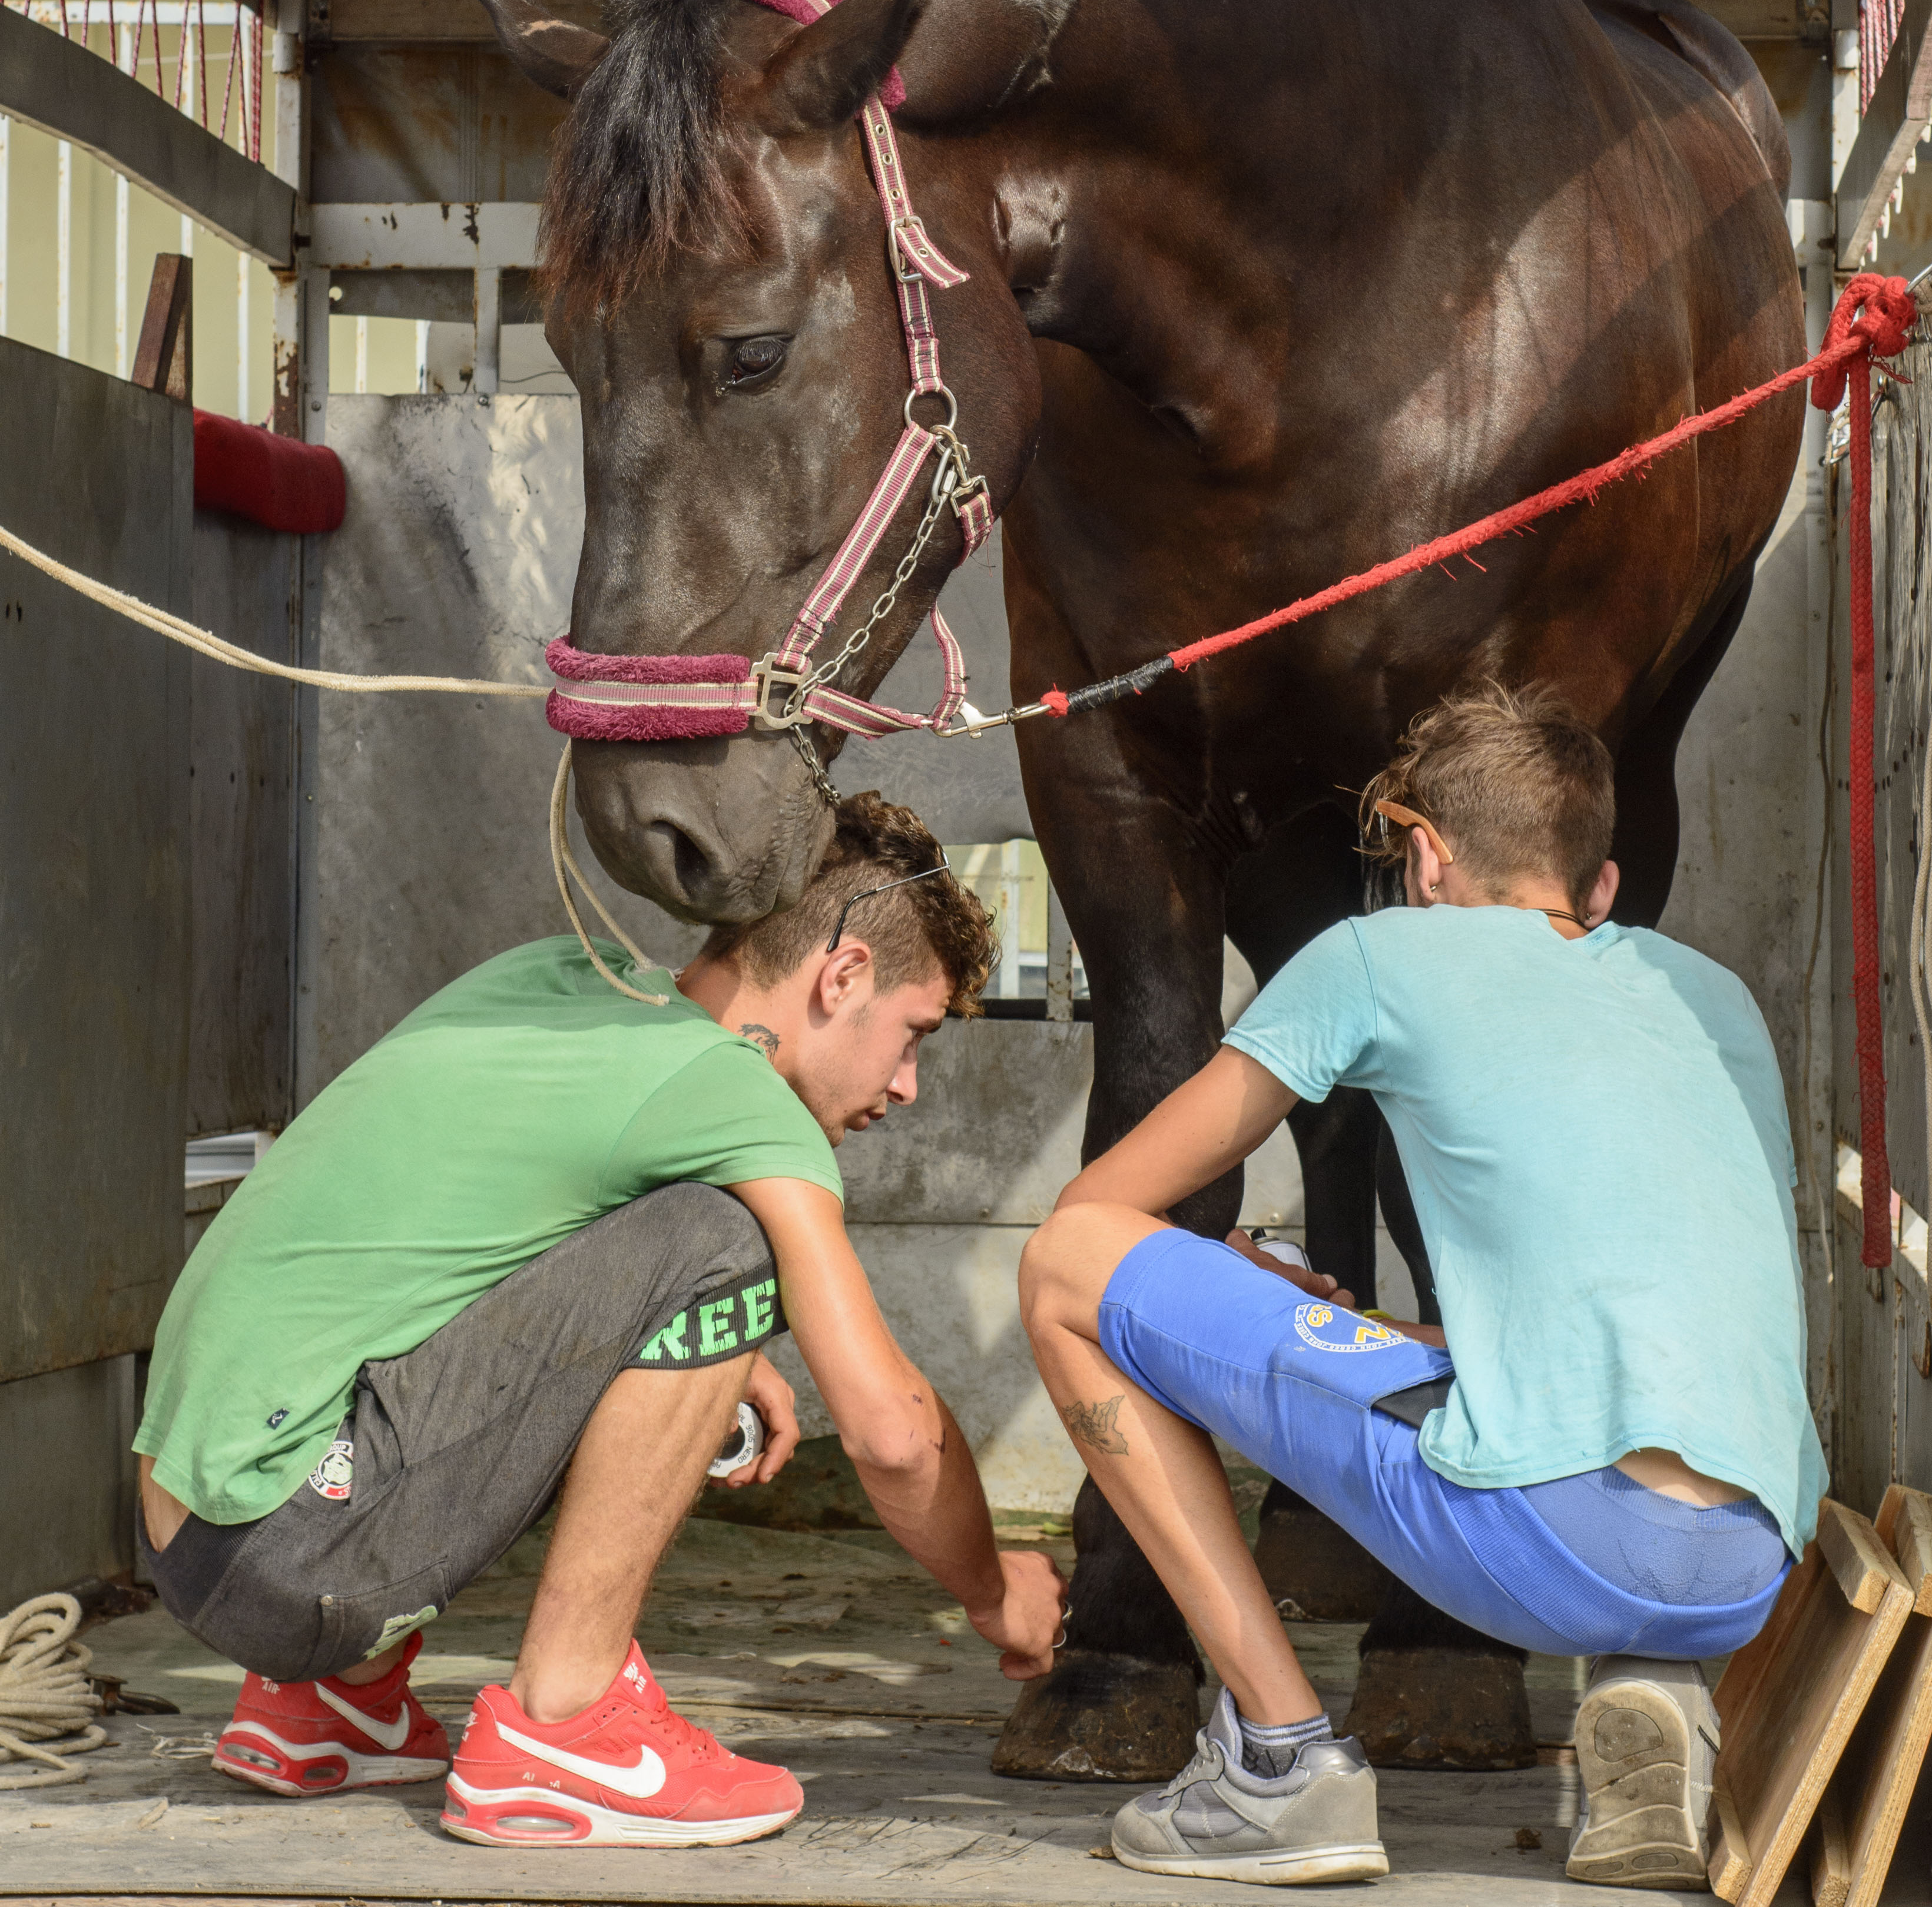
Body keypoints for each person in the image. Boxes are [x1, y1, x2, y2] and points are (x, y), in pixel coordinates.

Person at [135, 791, 1065, 1850]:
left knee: (685, 1266)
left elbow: (474, 1239)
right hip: (294, 1547)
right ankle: (563, 1722)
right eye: (913, 1033)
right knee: (727, 1243)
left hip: (201, 1524)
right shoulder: (745, 1101)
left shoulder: (559, 976)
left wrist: (711, 1354)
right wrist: (996, 1592)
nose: (905, 1085)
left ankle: (334, 1700)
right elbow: (892, 1434)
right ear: (842, 974)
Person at [1020, 684, 1824, 1891]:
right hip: (1750, 1562)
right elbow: (1578, 1325)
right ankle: (1654, 1688)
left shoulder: (1377, 951)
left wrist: (1230, 1291)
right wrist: (1364, 1331)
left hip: (1557, 1540)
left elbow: (1102, 1214)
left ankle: (1282, 1765)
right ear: (1596, 888)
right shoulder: (1711, 998)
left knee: (1061, 1272)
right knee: (1557, 1419)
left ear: (1428, 855)